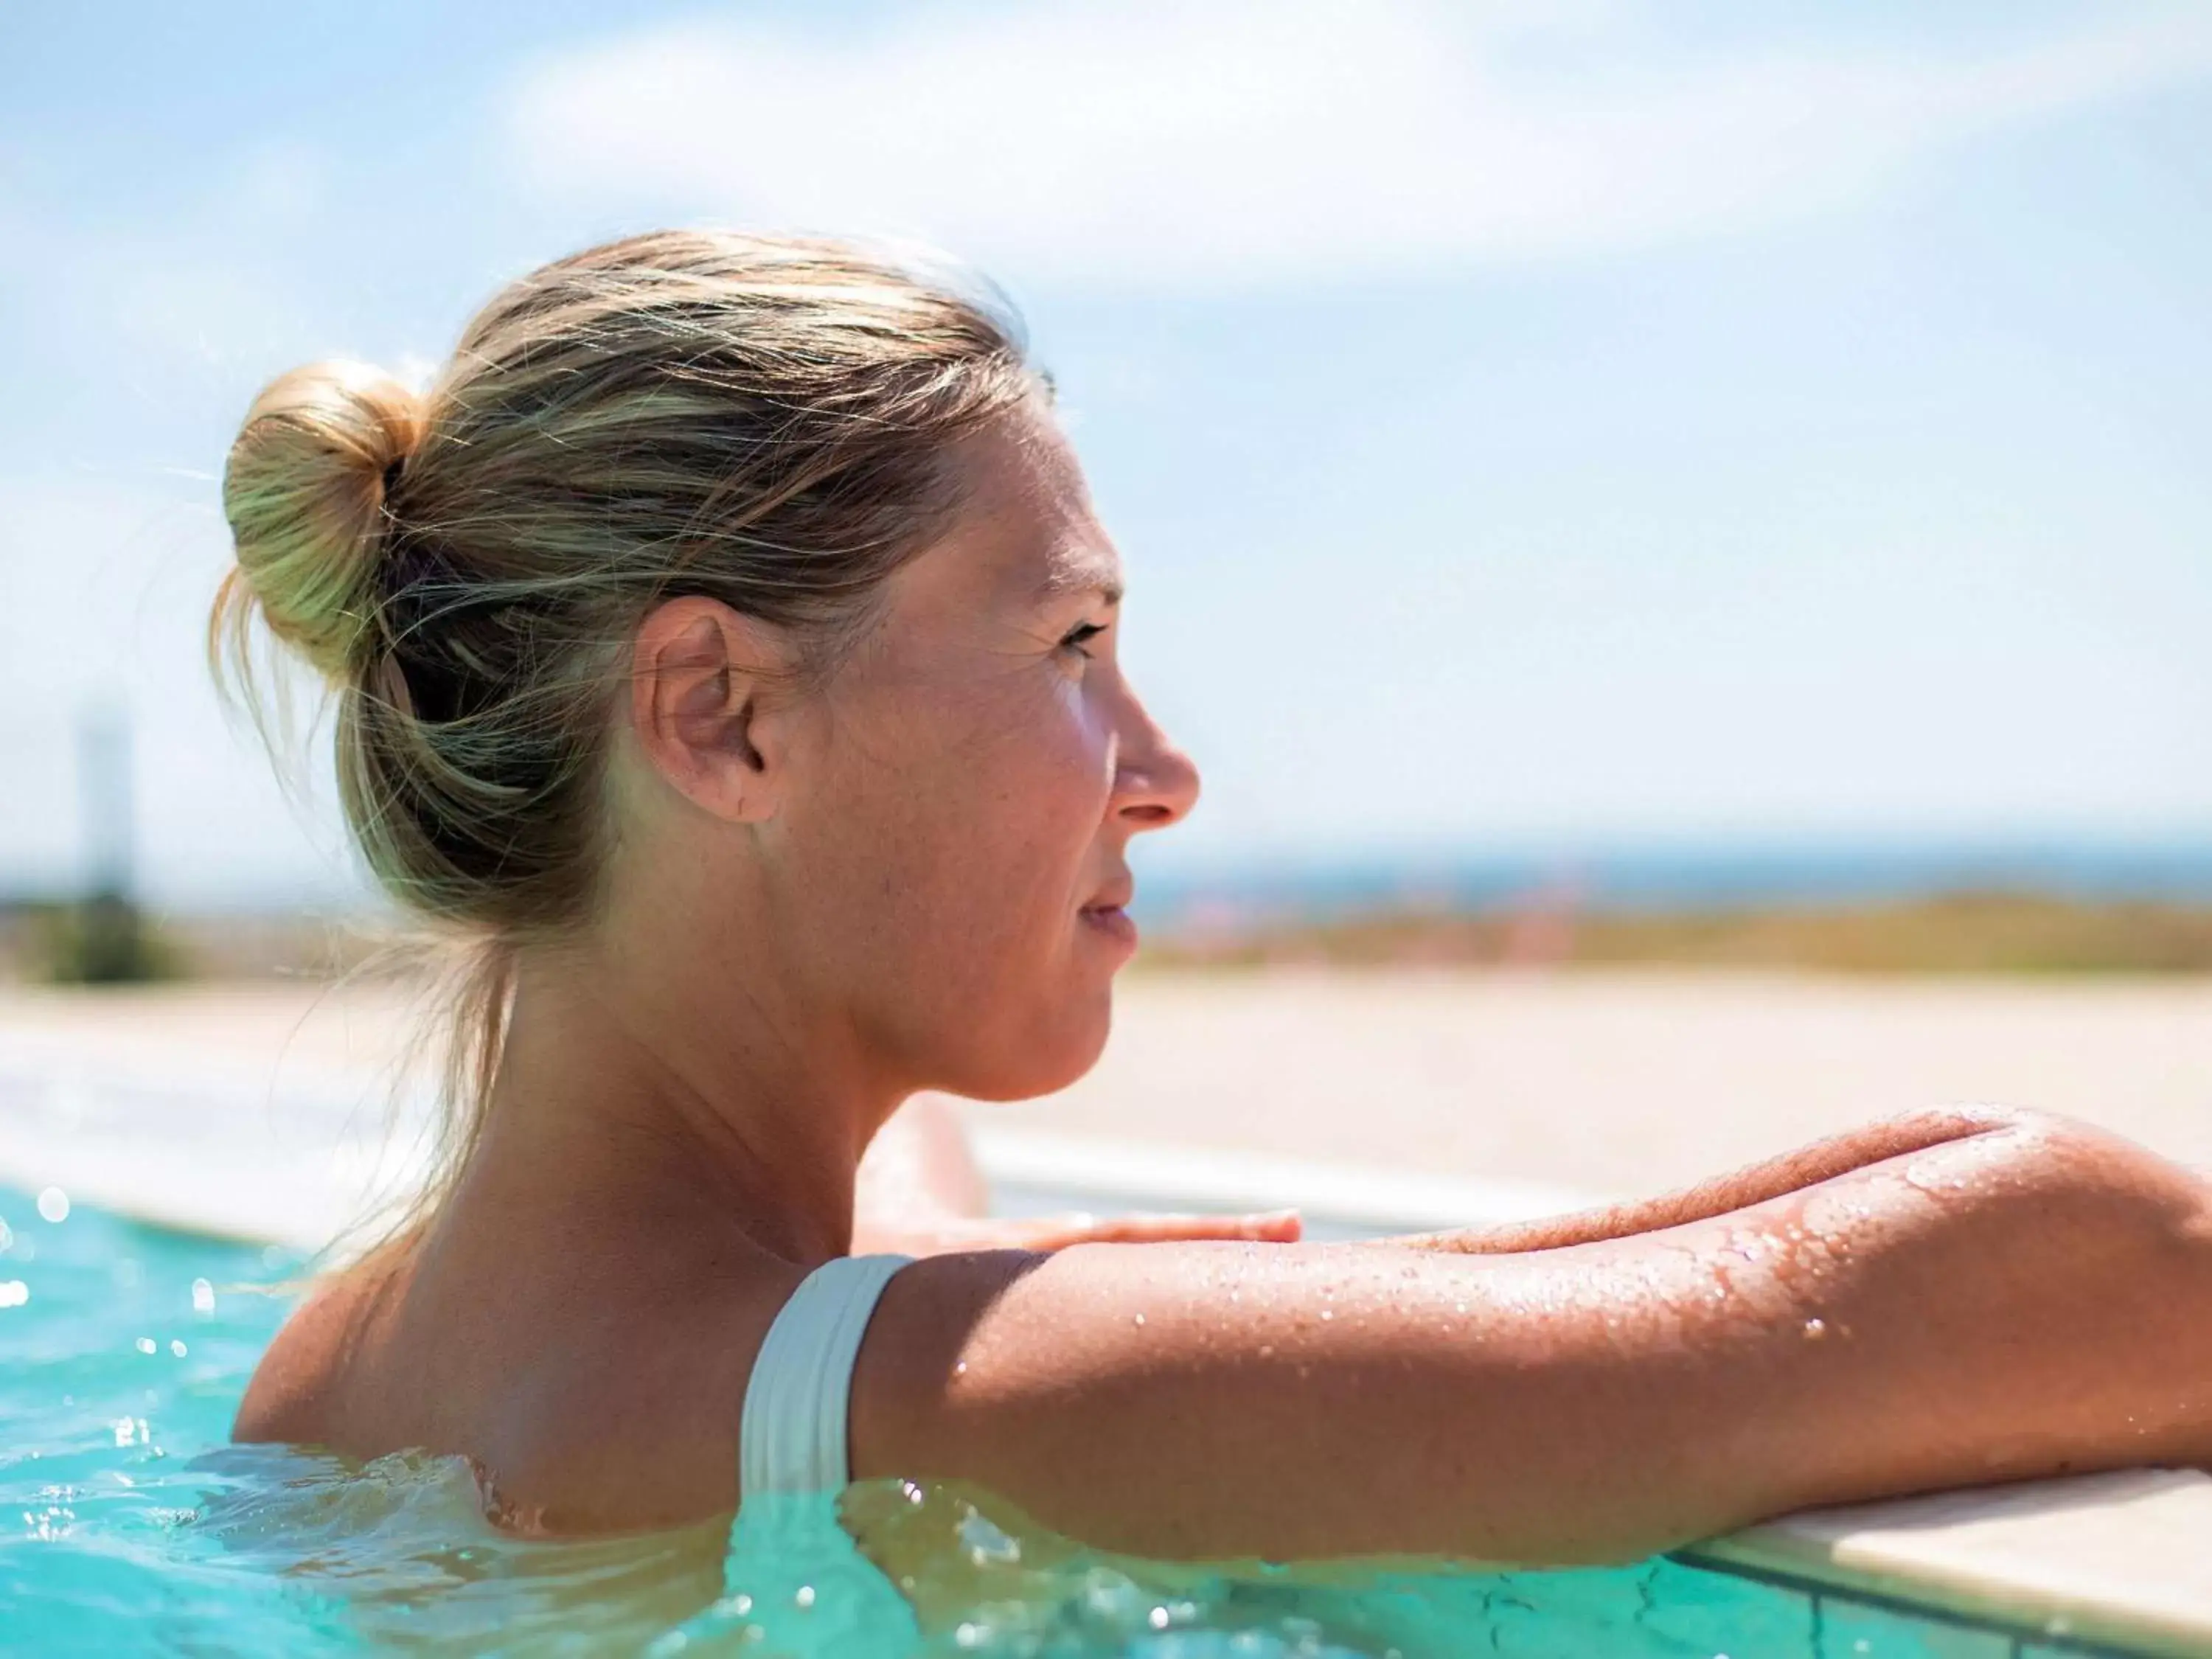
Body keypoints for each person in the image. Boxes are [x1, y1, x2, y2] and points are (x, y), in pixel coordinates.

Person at [222, 230, 2212, 1571]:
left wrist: (1077, 1290)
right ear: (725, 718)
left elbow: (902, 1182)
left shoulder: (342, 1366)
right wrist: (1139, 1324)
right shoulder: (918, 1399)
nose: (1162, 768)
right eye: (1071, 643)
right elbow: (2106, 1260)